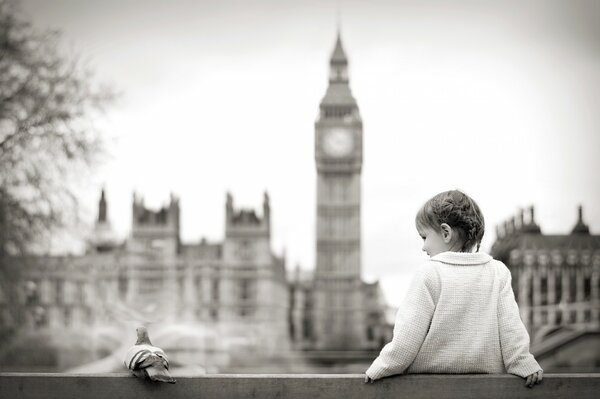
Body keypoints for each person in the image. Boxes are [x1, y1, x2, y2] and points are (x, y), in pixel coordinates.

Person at [365, 190, 543, 388]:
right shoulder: (498, 272)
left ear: (446, 233)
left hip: (430, 388)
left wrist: (382, 367)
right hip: (485, 388)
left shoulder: (429, 273)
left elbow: (407, 338)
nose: (423, 247)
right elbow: (511, 329)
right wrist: (523, 363)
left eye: (424, 237)